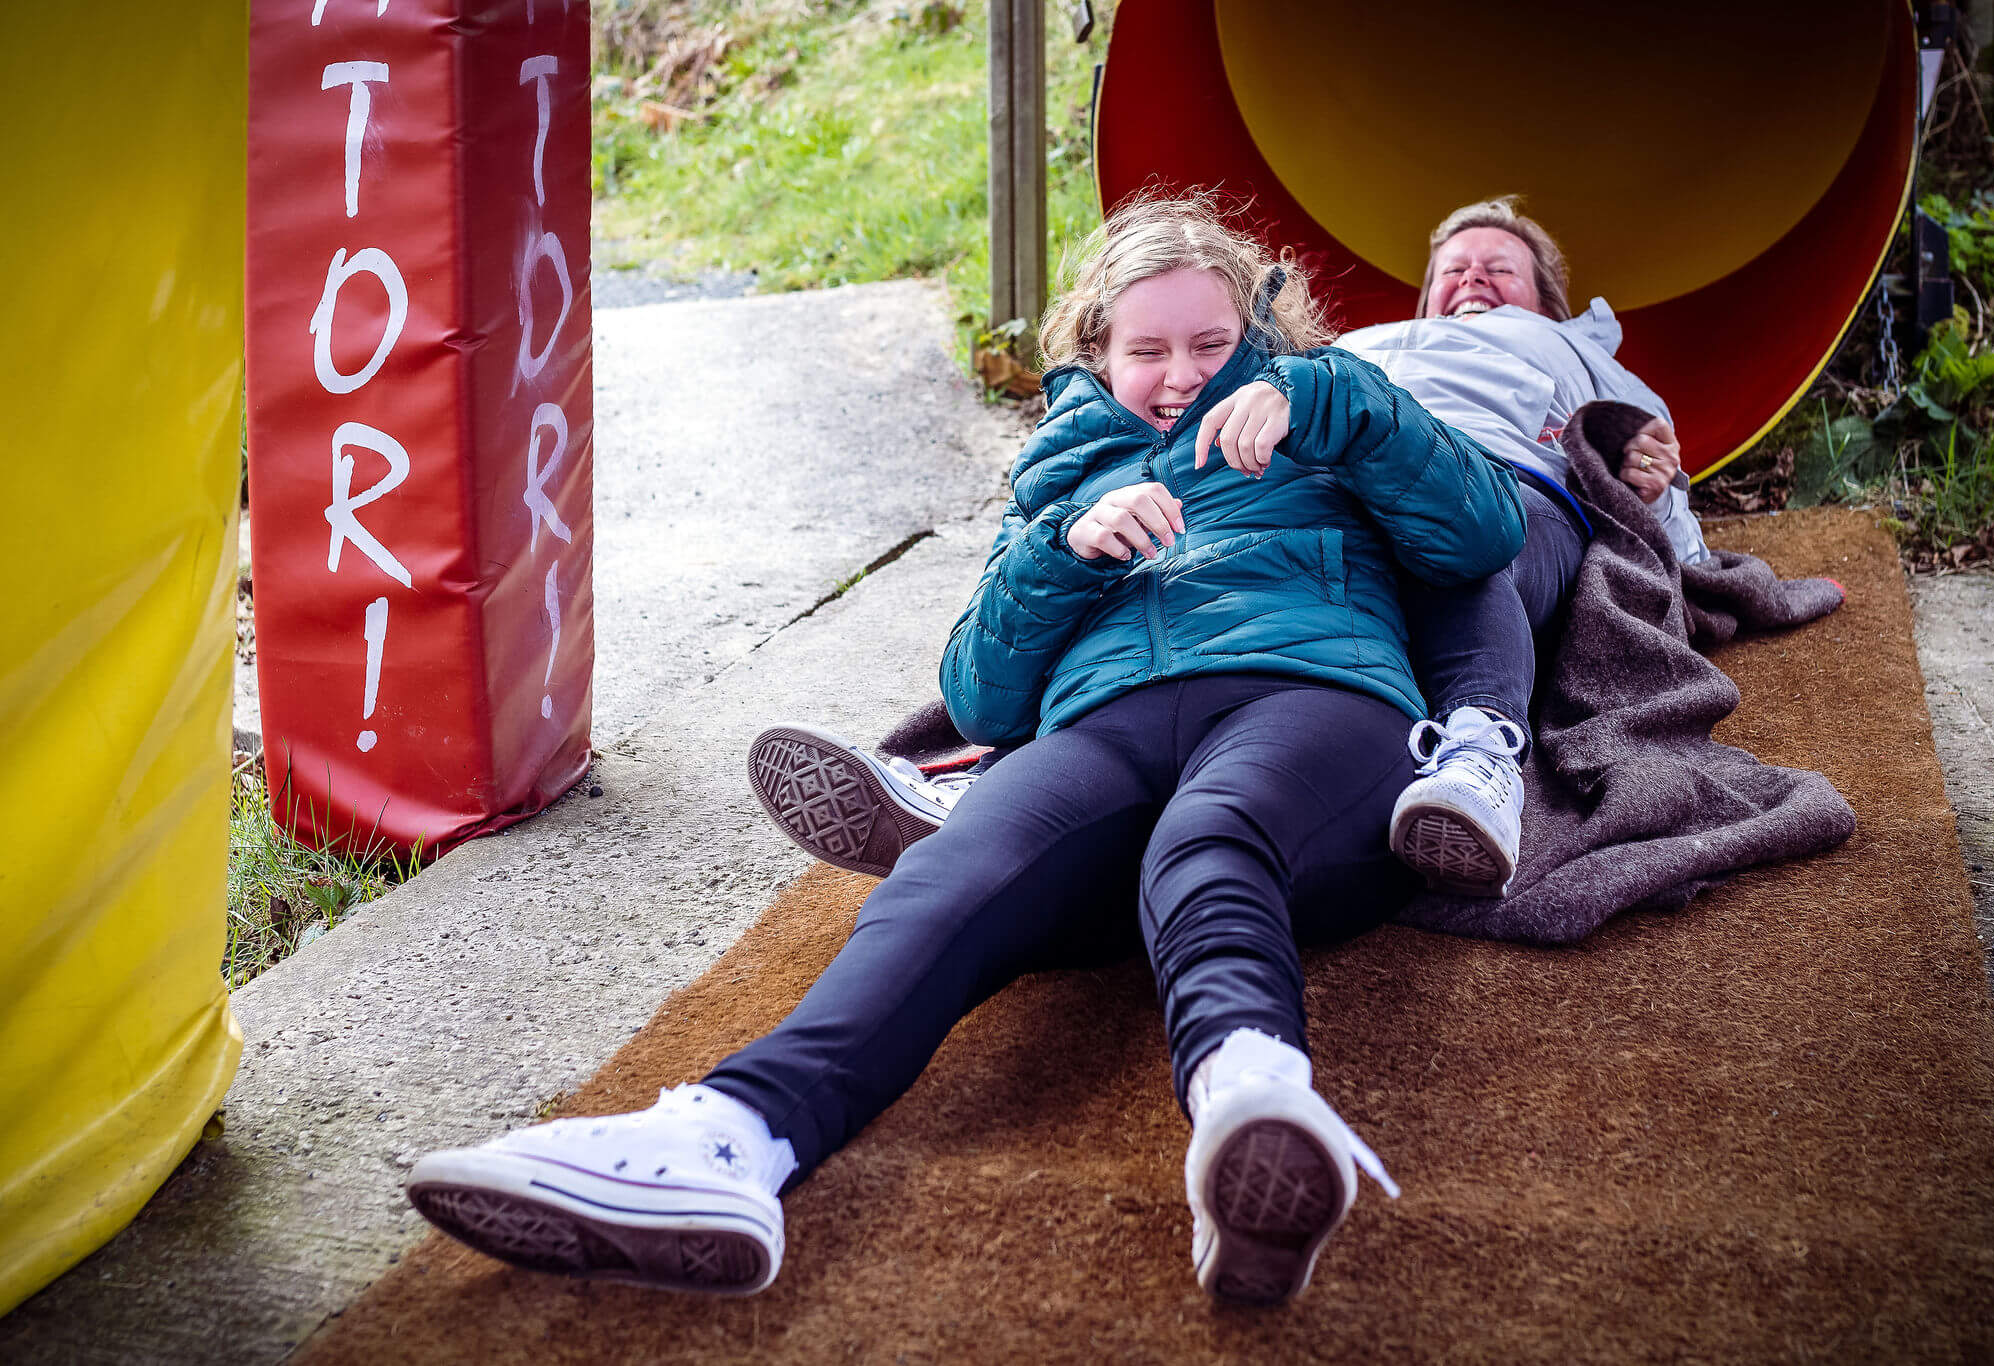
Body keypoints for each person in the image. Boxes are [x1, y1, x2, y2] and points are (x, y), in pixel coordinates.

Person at [405, 192, 1527, 1305]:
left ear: (1260, 339)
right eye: (1148, 348)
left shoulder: (1325, 421)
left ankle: (1250, 1095)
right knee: (947, 874)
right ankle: (731, 1136)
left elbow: (1483, 534)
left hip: (1312, 701)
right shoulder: (1058, 475)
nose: (1182, 373)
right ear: (1097, 349)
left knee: (1211, 840)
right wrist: (1063, 550)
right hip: (1109, 724)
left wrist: (1327, 400)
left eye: (1211, 344)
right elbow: (981, 695)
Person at [747, 197, 1706, 898]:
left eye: (1499, 269)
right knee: (1198, 587)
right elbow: (1260, 422)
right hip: (1350, 449)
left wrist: (1632, 484)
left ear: (1550, 300)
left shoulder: (1581, 358)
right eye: (1453, 265)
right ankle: (1006, 780)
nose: (1472, 279)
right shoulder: (1364, 343)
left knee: (1453, 553)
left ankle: (1475, 752)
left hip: (1491, 471)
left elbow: (1658, 497)